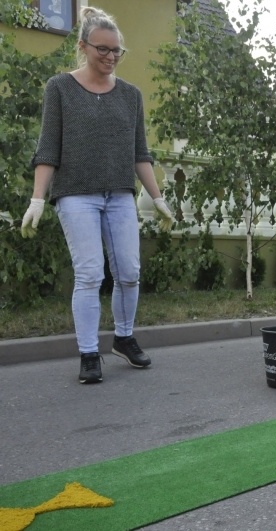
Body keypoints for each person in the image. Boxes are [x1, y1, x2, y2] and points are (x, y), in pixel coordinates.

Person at [20, 7, 174, 385]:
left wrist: (157, 198)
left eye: (116, 51)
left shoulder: (130, 96)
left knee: (130, 272)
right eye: (102, 49)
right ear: (83, 46)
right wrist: (37, 198)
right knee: (90, 274)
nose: (109, 57)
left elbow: (141, 153)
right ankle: (89, 353)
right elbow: (48, 149)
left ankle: (123, 338)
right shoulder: (59, 88)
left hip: (120, 195)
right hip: (76, 195)